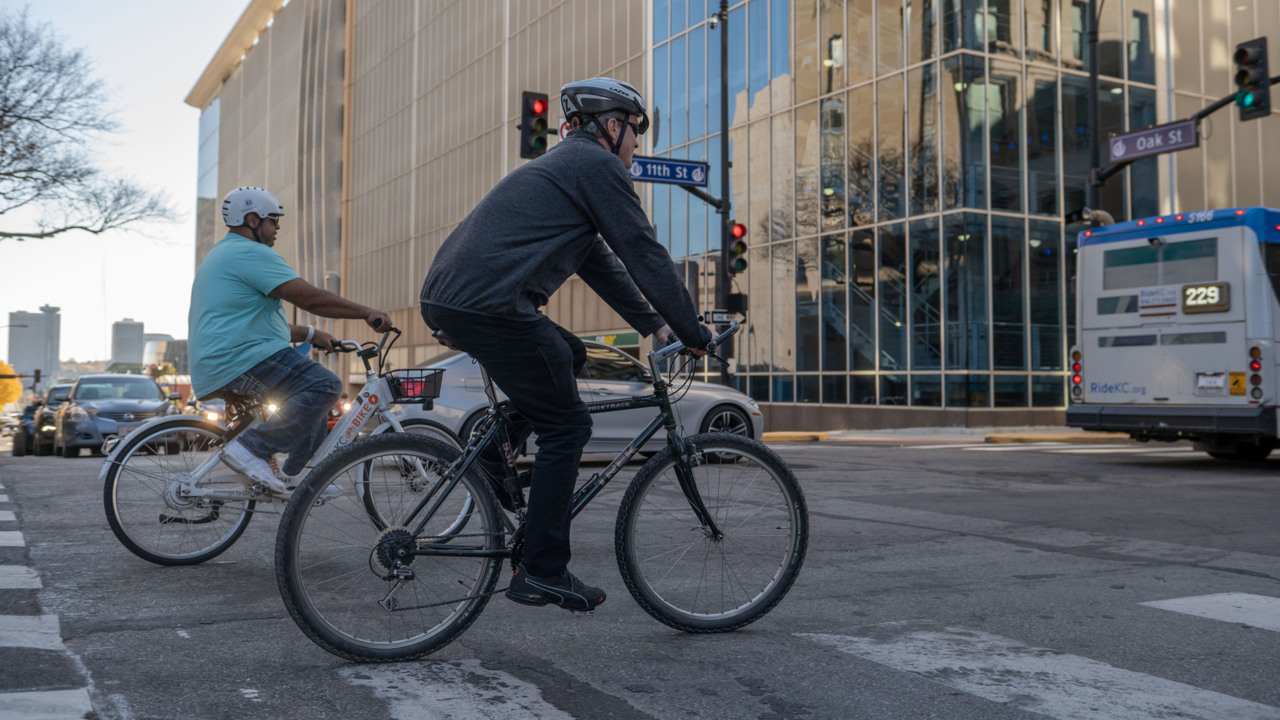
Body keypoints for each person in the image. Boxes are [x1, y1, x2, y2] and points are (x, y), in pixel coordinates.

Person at [420, 77, 712, 612]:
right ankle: (542, 570)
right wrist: (695, 332)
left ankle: (491, 455)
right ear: (613, 125)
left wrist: (656, 324)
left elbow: (601, 263)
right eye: (635, 134)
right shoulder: (595, 166)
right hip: (490, 304)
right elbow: (643, 251)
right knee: (568, 425)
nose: (636, 148)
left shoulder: (565, 171)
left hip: (458, 300)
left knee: (570, 355)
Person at [189, 186, 391, 496]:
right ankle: (253, 449)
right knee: (325, 385)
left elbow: (263, 323)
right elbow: (310, 298)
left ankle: (298, 479)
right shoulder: (250, 253)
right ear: (252, 219)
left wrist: (312, 334)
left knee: (312, 402)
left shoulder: (223, 253)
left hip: (223, 361)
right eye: (273, 221)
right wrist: (366, 312)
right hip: (239, 361)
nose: (277, 228)